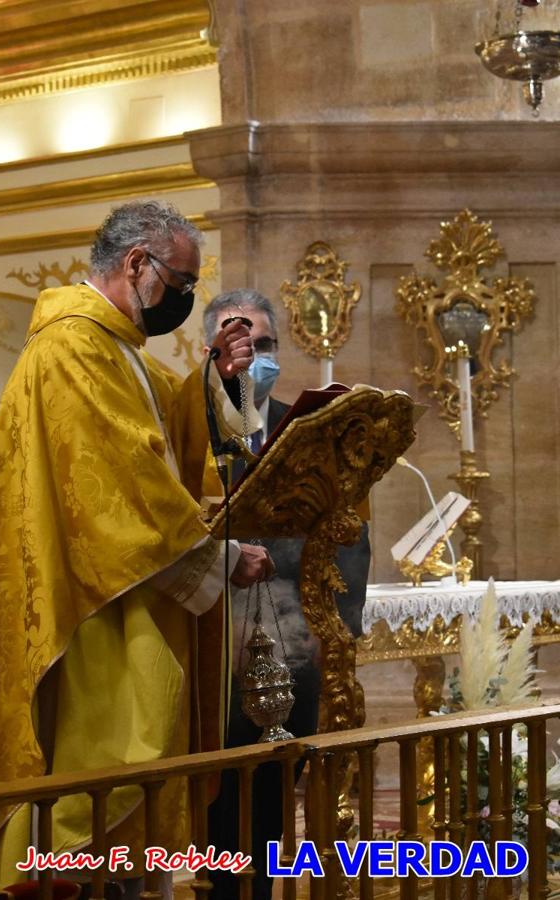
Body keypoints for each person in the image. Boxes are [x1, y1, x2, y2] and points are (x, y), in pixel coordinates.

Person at [0, 202, 273, 891]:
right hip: (95, 608)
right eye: (182, 284)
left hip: (124, 594)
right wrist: (224, 558)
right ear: (137, 264)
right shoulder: (74, 348)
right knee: (96, 784)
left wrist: (219, 376)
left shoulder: (116, 350)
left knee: (129, 806)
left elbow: (175, 421)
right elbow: (126, 486)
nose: (185, 302)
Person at [202, 289, 371, 900]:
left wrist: (335, 639)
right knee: (212, 811)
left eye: (265, 343)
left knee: (272, 811)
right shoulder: (183, 429)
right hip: (208, 656)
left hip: (294, 653)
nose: (254, 356)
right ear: (210, 352)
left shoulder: (306, 436)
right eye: (238, 341)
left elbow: (347, 535)